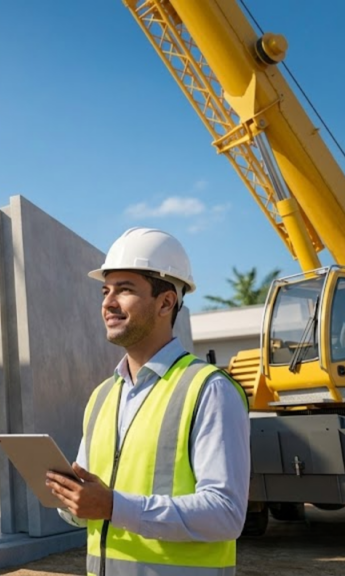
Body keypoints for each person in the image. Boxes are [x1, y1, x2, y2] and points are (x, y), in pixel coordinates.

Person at [44, 227, 251, 576]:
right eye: (106, 291)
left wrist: (113, 506)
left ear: (166, 302)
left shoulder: (208, 389)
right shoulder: (102, 396)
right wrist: (72, 500)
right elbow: (90, 511)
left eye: (125, 290)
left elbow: (226, 514)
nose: (108, 303)